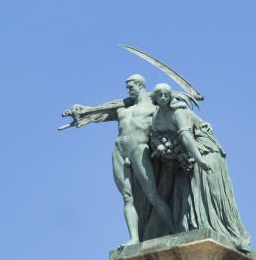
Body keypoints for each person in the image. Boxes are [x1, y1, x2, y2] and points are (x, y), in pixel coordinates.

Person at [62, 75, 173, 244]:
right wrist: (82, 111)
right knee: (128, 197)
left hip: (139, 149)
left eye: (130, 87)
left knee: (152, 195)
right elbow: (99, 114)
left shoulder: (154, 107)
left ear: (140, 85)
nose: (128, 90)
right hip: (120, 150)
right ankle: (134, 238)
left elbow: (172, 114)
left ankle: (175, 229)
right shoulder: (122, 109)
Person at [149, 83, 251, 251]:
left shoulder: (178, 113)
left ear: (170, 96)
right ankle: (190, 226)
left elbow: (187, 136)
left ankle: (215, 227)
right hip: (184, 158)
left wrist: (199, 159)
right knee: (186, 187)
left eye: (165, 95)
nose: (162, 98)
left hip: (204, 152)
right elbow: (158, 137)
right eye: (158, 95)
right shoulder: (157, 116)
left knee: (204, 188)